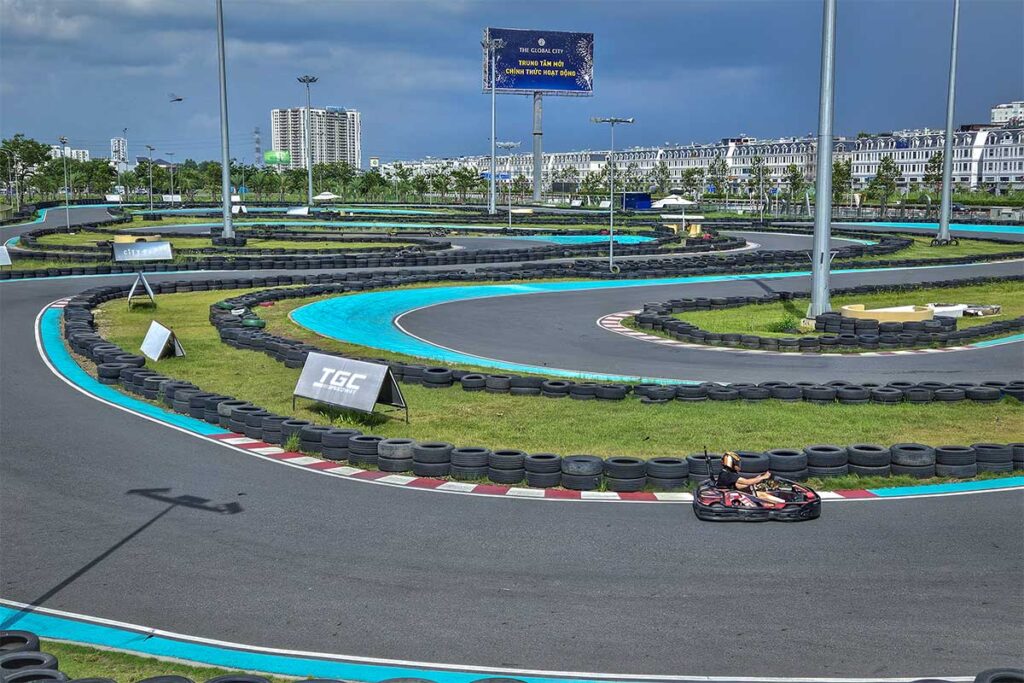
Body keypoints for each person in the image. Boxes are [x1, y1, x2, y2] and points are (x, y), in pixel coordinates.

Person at [717, 452, 784, 504]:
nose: (739, 465)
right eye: (737, 463)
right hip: (731, 496)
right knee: (761, 495)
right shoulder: (727, 475)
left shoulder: (726, 473)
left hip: (733, 493)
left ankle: (780, 502)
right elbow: (747, 481)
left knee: (759, 491)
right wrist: (763, 477)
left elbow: (737, 485)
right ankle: (783, 503)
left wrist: (756, 481)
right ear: (730, 463)